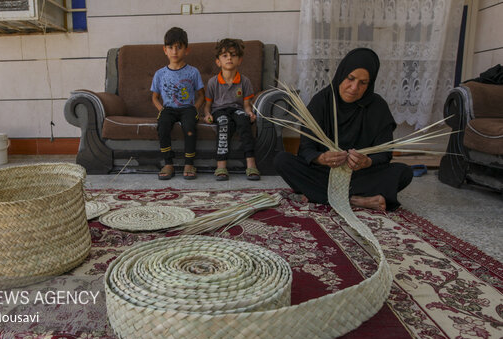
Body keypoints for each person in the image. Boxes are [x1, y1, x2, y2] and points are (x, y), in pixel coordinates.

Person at [274, 48, 413, 211]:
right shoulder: (321, 102)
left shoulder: (378, 107)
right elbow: (306, 149)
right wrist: (322, 158)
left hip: (358, 175)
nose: (354, 87)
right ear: (342, 74)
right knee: (282, 161)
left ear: (370, 83)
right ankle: (357, 200)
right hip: (325, 172)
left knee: (404, 172)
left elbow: (385, 154)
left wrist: (367, 162)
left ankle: (318, 194)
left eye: (363, 83)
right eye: (351, 78)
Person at [151, 27, 205, 180]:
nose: (174, 51)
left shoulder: (193, 72)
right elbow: (154, 97)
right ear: (165, 50)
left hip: (187, 108)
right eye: (170, 47)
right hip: (168, 109)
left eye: (179, 47)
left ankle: (189, 163)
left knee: (189, 127)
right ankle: (168, 163)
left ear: (186, 50)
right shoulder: (160, 73)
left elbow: (202, 95)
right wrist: (161, 109)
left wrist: (195, 109)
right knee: (162, 126)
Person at [203, 38, 260, 181]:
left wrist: (250, 113)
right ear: (218, 61)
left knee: (244, 119)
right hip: (219, 111)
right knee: (223, 122)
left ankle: (251, 163)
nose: (229, 58)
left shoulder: (245, 81)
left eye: (233, 55)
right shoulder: (212, 82)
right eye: (225, 56)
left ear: (239, 60)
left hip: (236, 110)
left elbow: (246, 105)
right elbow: (208, 106)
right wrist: (207, 115)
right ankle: (221, 165)